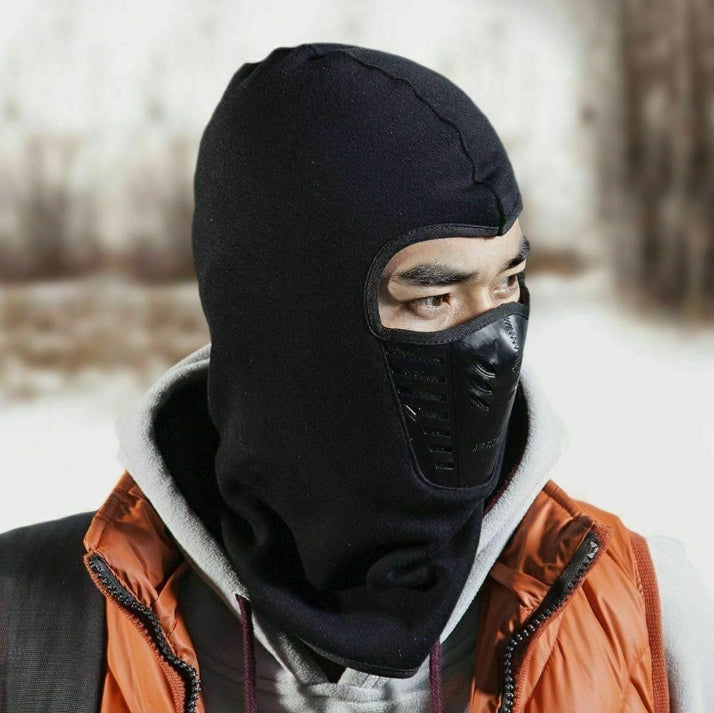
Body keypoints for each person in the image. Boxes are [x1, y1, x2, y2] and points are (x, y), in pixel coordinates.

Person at [1, 41, 712, 713]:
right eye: (434, 298)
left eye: (507, 284)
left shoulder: (642, 619)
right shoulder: (32, 628)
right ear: (290, 324)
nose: (493, 347)